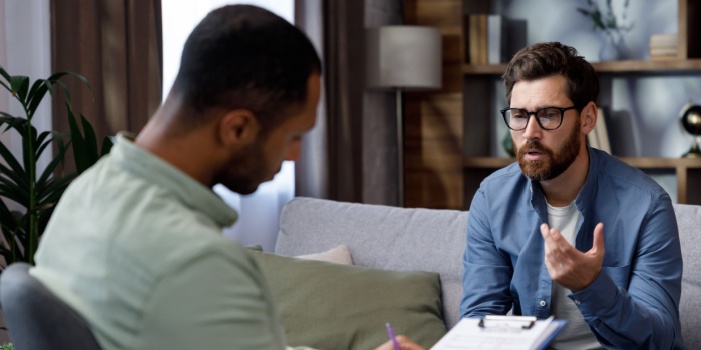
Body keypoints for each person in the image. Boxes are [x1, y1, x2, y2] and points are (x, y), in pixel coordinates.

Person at [30, 5, 421, 350]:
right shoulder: (196, 261)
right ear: (237, 129)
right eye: (293, 137)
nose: (295, 155)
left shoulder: (87, 192)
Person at [459, 42, 685, 349]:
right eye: (519, 115)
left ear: (588, 118)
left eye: (549, 115)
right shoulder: (491, 198)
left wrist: (591, 286)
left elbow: (659, 339)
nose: (530, 132)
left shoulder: (646, 205)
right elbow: (479, 320)